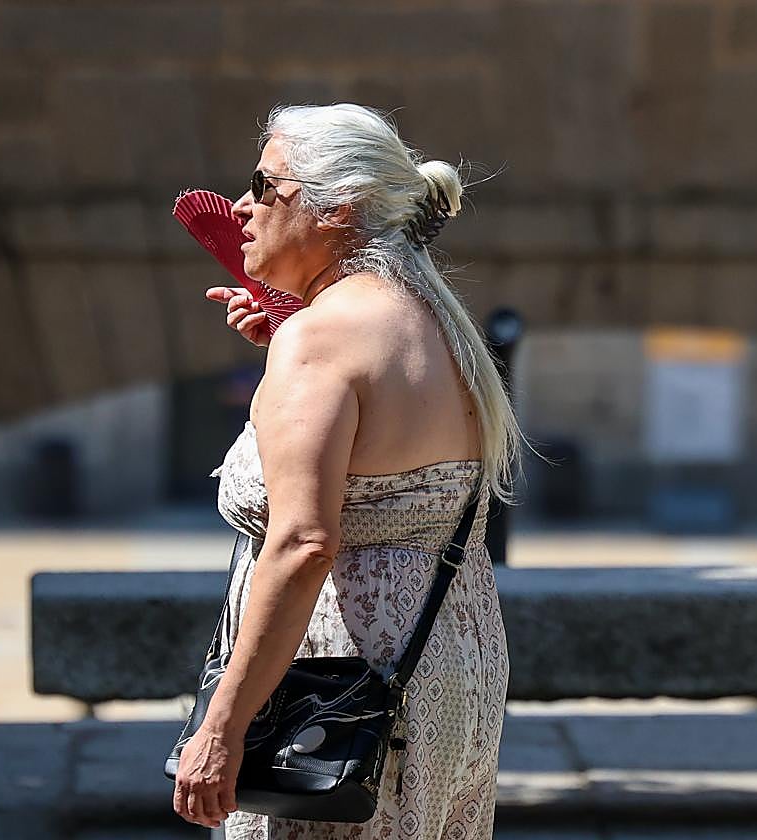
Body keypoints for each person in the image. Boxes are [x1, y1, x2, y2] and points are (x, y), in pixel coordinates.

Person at [173, 103, 524, 839]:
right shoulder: (436, 320)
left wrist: (222, 725)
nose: (240, 207)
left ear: (336, 209)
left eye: (265, 186)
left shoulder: (320, 342)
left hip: (338, 687)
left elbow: (304, 543)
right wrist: (288, 336)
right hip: (448, 661)